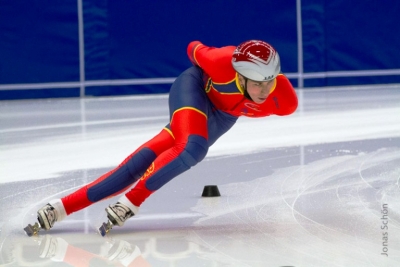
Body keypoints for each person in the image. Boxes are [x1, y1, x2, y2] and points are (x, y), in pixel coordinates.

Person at [35, 40, 298, 232]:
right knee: (193, 148)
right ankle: (131, 202)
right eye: (257, 83)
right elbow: (192, 47)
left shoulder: (284, 99)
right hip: (194, 88)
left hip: (222, 115)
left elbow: (268, 96)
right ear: (239, 76)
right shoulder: (220, 61)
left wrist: (247, 100)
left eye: (269, 81)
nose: (264, 90)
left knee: (144, 162)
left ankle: (59, 208)